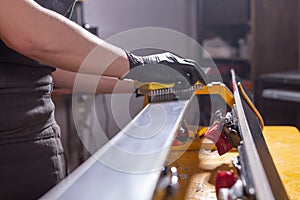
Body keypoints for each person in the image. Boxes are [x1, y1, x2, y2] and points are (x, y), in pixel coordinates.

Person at [0, 0, 206, 199]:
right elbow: (27, 32)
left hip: (37, 133)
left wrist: (142, 81)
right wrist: (138, 65)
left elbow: (50, 65)